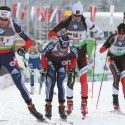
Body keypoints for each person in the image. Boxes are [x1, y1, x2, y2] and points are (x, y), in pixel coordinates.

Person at [48, 2, 104, 116]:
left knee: (83, 79)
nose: (77, 18)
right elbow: (51, 32)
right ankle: (69, 103)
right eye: (74, 16)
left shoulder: (86, 20)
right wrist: (59, 37)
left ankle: (84, 103)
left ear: (81, 15)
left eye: (78, 16)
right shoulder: (67, 20)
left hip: (82, 53)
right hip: (70, 53)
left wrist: (99, 34)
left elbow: (100, 32)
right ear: (72, 14)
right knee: (70, 78)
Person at [0, 6, 44, 121]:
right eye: (1, 19)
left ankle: (31, 108)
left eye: (5, 19)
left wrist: (23, 49)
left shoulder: (14, 25)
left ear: (9, 17)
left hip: (9, 57)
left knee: (20, 83)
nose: (3, 22)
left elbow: (30, 41)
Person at [41, 34, 78, 120]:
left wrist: (72, 69)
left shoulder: (72, 48)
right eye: (62, 47)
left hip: (63, 62)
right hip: (52, 62)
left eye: (65, 47)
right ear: (59, 43)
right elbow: (43, 55)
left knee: (60, 84)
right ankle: (48, 108)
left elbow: (74, 58)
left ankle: (62, 108)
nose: (63, 49)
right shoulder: (52, 45)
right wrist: (44, 67)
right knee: (50, 83)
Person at [99, 23, 125, 111]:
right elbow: (101, 50)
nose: (121, 36)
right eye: (119, 34)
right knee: (117, 76)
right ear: (117, 32)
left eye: (123, 34)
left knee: (124, 81)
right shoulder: (112, 38)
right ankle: (115, 101)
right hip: (112, 59)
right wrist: (106, 47)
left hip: (122, 61)